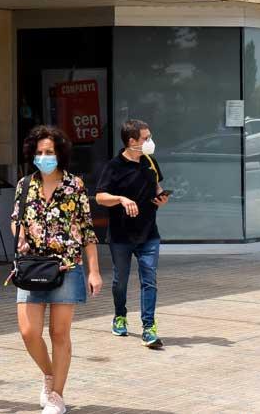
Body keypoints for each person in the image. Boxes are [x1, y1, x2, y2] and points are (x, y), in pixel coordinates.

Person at [11, 125, 101, 414]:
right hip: (32, 266)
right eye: (39, 152)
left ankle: (57, 396)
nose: (44, 157)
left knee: (59, 333)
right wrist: (20, 234)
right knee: (28, 332)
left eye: (49, 152)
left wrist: (94, 271)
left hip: (67, 266)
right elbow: (16, 219)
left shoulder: (75, 186)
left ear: (60, 153)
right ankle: (49, 375)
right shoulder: (25, 184)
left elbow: (87, 231)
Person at [95, 119, 169, 349]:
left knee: (150, 280)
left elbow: (156, 187)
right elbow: (99, 197)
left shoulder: (150, 161)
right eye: (146, 138)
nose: (150, 142)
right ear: (132, 141)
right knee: (121, 280)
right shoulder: (114, 166)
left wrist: (162, 198)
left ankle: (149, 328)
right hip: (121, 236)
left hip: (149, 234)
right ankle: (120, 315)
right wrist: (121, 199)